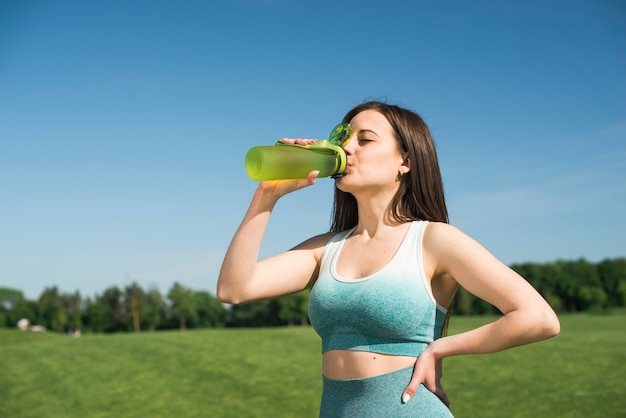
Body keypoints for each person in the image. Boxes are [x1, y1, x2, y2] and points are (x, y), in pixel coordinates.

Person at [217, 100, 560, 417]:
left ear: (405, 161)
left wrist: (440, 349)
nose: (346, 149)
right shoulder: (326, 249)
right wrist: (267, 197)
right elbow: (234, 289)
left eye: (364, 140)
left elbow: (538, 317)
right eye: (344, 139)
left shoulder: (433, 240)